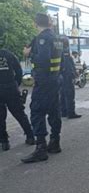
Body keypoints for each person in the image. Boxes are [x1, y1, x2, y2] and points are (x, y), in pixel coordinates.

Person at [21, 13, 63, 163]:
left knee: (37, 111)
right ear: (49, 23)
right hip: (54, 79)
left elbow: (43, 60)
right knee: (53, 111)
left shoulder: (43, 39)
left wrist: (29, 53)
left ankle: (40, 148)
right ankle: (55, 141)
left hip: (44, 81)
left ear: (35, 23)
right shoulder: (57, 38)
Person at [0, 49, 35, 151]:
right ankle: (30, 136)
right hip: (11, 87)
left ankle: (4, 142)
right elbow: (19, 71)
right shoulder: (9, 54)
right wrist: (16, 84)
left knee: (0, 117)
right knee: (19, 113)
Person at [59, 39, 81, 119]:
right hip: (67, 76)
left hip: (61, 76)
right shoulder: (66, 52)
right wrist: (74, 74)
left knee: (62, 94)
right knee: (70, 94)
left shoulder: (59, 51)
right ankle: (71, 113)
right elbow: (68, 66)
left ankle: (63, 112)